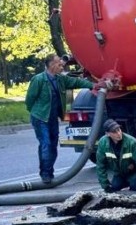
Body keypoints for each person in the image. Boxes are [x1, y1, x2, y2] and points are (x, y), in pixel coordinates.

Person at [25, 54, 97, 183]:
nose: (61, 65)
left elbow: (76, 82)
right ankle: (45, 174)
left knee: (52, 145)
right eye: (59, 64)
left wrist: (93, 85)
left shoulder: (60, 79)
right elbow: (29, 100)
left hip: (52, 118)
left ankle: (49, 173)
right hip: (41, 118)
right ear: (51, 66)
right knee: (46, 144)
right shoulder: (39, 79)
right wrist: (36, 112)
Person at [95, 119, 136, 195]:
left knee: (135, 187)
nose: (118, 133)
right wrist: (105, 185)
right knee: (114, 188)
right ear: (107, 134)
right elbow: (100, 166)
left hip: (133, 173)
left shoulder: (132, 142)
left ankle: (133, 184)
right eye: (114, 132)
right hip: (119, 174)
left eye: (119, 130)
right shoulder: (103, 143)